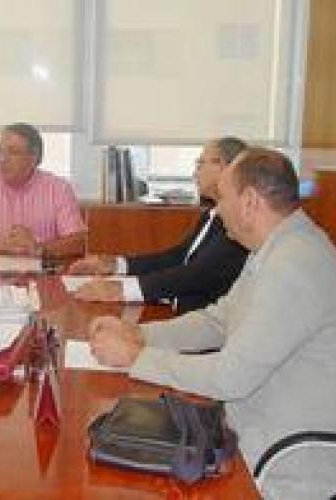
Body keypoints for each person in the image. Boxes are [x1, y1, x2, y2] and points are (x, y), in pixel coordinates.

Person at [88, 148, 336, 498]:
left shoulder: (294, 264)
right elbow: (218, 321)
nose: (217, 210)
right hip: (245, 430)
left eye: (222, 198)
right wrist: (139, 333)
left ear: (249, 202)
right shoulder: (275, 249)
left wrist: (136, 357)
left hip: (285, 462)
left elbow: (230, 377)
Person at [69, 136, 248, 313]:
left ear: (224, 167)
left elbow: (198, 273)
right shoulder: (212, 214)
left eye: (200, 163)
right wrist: (116, 265)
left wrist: (124, 290)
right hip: (178, 309)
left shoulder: (238, 222)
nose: (195, 173)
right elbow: (178, 256)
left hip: (202, 319)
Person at [0, 122, 86, 258]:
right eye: (0, 151)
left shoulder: (59, 189)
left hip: (42, 268)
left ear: (33, 158)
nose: (2, 159)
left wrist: (39, 249)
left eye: (13, 152)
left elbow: (77, 242)